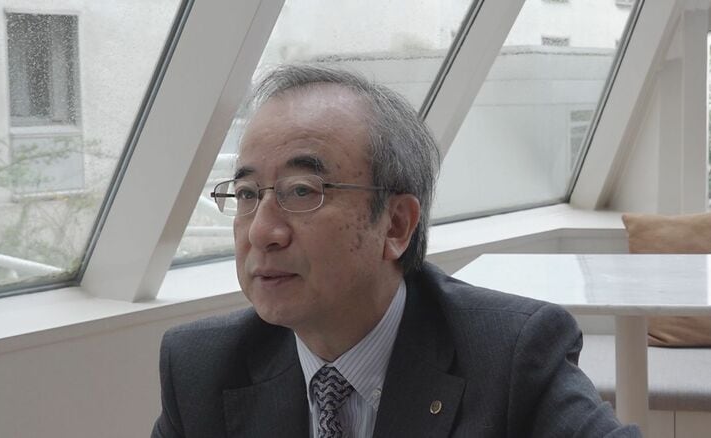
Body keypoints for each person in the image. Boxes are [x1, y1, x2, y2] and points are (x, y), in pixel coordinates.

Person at [151, 64, 641, 438]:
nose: (262, 232)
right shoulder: (202, 368)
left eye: (302, 191)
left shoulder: (510, 357)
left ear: (397, 224)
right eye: (247, 194)